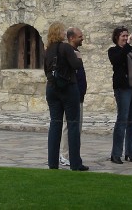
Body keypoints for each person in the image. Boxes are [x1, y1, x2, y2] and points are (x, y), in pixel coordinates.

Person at [43, 22, 88, 171]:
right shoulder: (66, 48)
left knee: (55, 123)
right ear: (59, 33)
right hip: (69, 88)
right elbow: (76, 65)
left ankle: (52, 162)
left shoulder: (47, 50)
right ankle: (75, 163)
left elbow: (45, 70)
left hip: (52, 88)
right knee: (73, 124)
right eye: (62, 30)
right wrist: (79, 57)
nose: (64, 32)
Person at [108, 26, 132, 164]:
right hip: (123, 88)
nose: (125, 38)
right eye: (123, 36)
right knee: (122, 119)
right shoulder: (113, 51)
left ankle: (130, 152)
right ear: (117, 37)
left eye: (126, 35)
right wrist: (127, 45)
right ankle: (116, 153)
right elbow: (117, 61)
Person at [60, 27, 87, 167]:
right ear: (72, 38)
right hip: (72, 95)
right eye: (80, 36)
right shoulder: (68, 53)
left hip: (78, 95)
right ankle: (65, 155)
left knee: (76, 127)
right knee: (70, 125)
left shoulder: (75, 52)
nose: (82, 38)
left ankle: (73, 154)